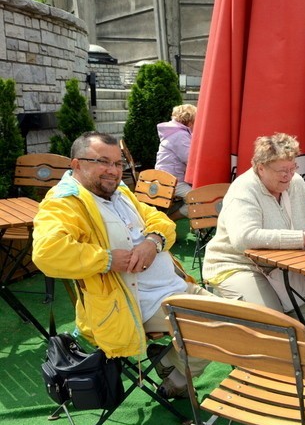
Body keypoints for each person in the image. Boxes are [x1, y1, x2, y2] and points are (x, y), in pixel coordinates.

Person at [32, 132, 214, 399]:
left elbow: (162, 222)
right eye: (103, 162)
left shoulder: (121, 192)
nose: (113, 171)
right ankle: (174, 375)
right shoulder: (64, 203)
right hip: (131, 306)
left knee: (246, 321)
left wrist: (153, 241)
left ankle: (168, 364)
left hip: (176, 288)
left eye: (118, 163)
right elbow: (47, 253)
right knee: (222, 330)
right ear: (76, 165)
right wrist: (106, 259)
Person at [202, 133, 305, 326]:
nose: (289, 175)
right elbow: (243, 237)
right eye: (282, 170)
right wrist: (303, 239)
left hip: (285, 265)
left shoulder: (295, 183)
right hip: (238, 265)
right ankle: (275, 345)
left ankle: (289, 349)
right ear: (261, 168)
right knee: (272, 321)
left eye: (293, 168)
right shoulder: (244, 190)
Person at [155, 104, 197, 219]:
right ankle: (170, 220)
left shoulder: (174, 133)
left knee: (195, 194)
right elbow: (190, 160)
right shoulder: (180, 135)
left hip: (165, 177)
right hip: (172, 180)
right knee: (198, 200)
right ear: (190, 123)